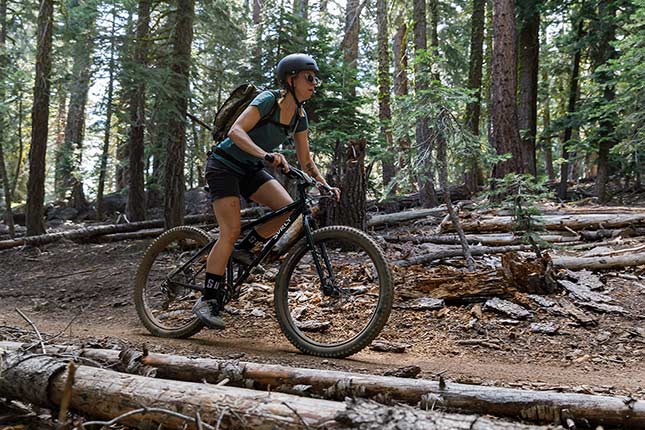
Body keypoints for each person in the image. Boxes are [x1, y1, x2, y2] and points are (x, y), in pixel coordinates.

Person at [194, 53, 341, 329]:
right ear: (291, 79)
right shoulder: (268, 101)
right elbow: (236, 132)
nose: (314, 83)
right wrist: (266, 156)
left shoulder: (299, 116)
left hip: (250, 167)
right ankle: (208, 299)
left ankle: (243, 249)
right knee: (230, 230)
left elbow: (306, 160)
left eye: (315, 79)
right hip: (224, 165)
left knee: (288, 209)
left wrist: (325, 185)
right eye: (309, 78)